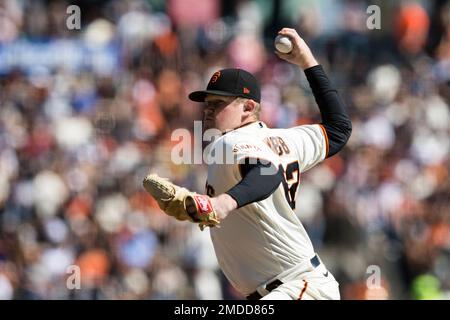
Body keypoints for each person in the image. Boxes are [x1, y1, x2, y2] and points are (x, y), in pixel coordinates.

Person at [143, 28, 352, 300]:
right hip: (296, 286)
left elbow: (267, 172)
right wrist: (307, 62)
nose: (207, 110)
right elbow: (338, 129)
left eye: (218, 103)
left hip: (294, 286)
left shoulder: (232, 142)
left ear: (248, 108)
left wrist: (222, 203)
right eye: (206, 103)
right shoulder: (285, 138)